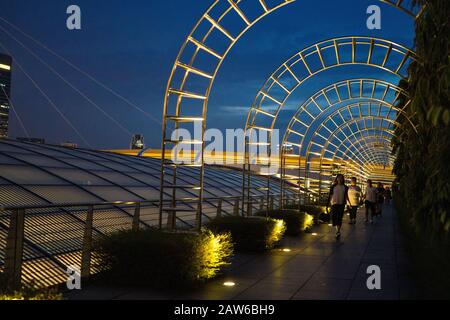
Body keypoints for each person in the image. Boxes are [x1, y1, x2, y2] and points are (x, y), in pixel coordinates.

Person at [327, 174, 350, 239]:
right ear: (336, 179)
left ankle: (338, 231)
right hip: (334, 203)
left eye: (341, 178)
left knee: (339, 217)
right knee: (334, 217)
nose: (340, 179)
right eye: (339, 178)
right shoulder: (333, 186)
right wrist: (328, 203)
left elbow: (346, 196)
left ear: (343, 179)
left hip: (341, 204)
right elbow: (330, 195)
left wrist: (349, 203)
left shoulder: (345, 187)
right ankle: (337, 228)